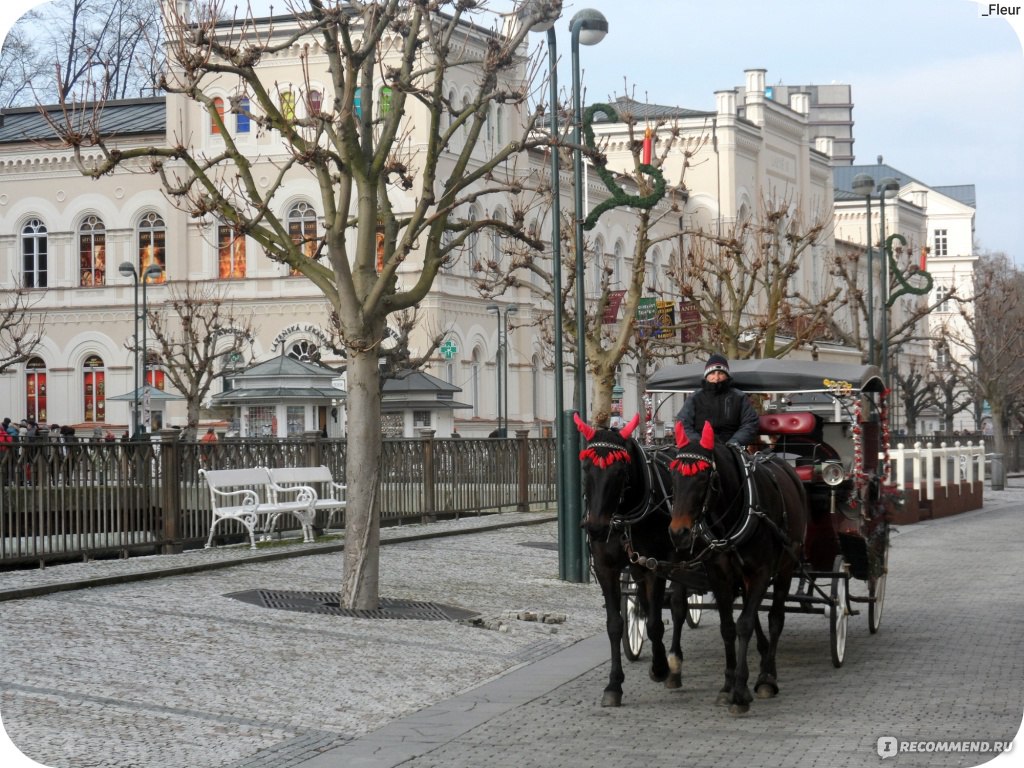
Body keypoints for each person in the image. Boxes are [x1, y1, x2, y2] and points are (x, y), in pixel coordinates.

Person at [676, 353, 760, 448]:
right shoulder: (694, 397)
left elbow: (750, 423)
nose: (716, 378)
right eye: (712, 373)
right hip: (699, 448)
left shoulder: (739, 397)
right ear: (706, 376)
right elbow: (683, 423)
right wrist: (699, 443)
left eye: (720, 373)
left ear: (726, 376)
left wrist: (735, 442)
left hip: (731, 447)